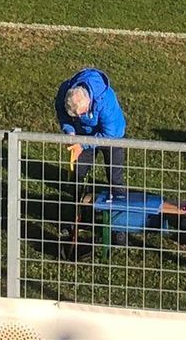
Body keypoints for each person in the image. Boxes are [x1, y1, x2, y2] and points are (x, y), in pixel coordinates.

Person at [55, 68, 127, 251]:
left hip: (111, 136)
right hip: (83, 136)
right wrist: (70, 132)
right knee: (77, 174)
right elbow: (63, 115)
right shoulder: (66, 92)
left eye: (81, 113)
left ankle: (119, 227)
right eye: (76, 116)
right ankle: (80, 217)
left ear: (88, 102)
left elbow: (110, 134)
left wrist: (84, 145)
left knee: (115, 178)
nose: (79, 117)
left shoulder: (106, 101)